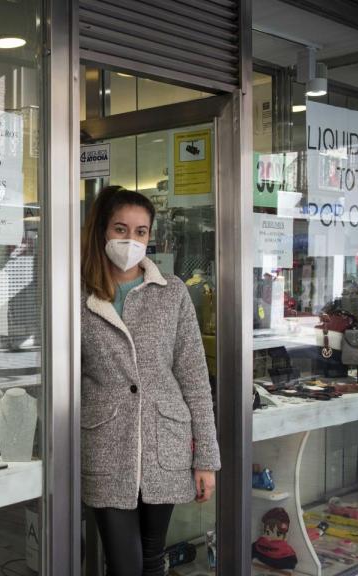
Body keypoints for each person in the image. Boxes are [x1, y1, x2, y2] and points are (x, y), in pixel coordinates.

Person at [80, 186, 221, 575]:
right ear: (102, 232)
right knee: (125, 564)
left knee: (152, 556)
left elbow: (194, 376)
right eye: (121, 229)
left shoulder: (171, 292)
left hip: (166, 444)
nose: (130, 240)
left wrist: (206, 458)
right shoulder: (76, 295)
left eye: (141, 232)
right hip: (107, 445)